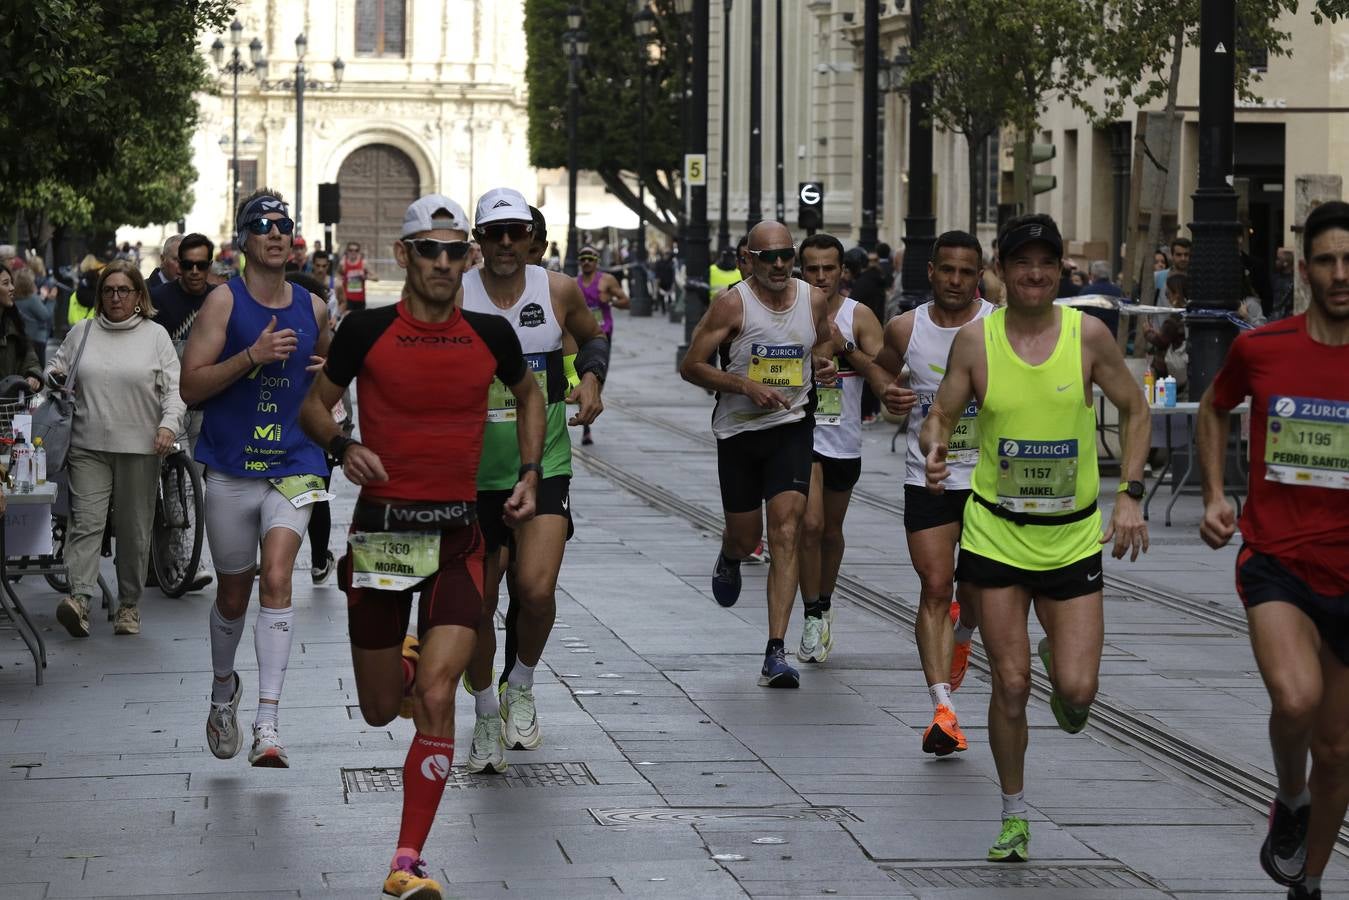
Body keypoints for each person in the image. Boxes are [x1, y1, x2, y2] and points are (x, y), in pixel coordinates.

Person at [300, 194, 542, 900]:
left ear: (468, 258)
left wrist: (528, 473)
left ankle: (407, 861)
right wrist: (344, 446)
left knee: (438, 696)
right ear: (402, 256)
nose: (443, 261)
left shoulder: (491, 334)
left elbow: (530, 396)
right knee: (382, 708)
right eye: (428, 249)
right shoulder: (365, 331)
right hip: (382, 539)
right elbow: (314, 406)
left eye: (454, 249)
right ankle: (398, 666)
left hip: (459, 537)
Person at [920, 213, 1150, 863]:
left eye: (1045, 262)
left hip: (1071, 538)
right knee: (1011, 685)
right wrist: (935, 449)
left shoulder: (1088, 338)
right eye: (1021, 261)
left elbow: (1134, 409)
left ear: (1059, 272)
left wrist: (1129, 494)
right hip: (995, 535)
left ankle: (1063, 671)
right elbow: (938, 415)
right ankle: (1013, 814)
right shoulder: (975, 342)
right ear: (1002, 267)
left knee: (1076, 692)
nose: (1033, 273)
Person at [1197, 200, 1349, 900]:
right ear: (1304, 265)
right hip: (1277, 559)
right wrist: (1214, 496)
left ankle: (1309, 883)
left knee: (1339, 748)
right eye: (1326, 260)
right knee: (1295, 701)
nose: (1340, 273)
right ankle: (1290, 798)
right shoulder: (1263, 348)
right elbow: (1211, 407)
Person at [181, 188, 332, 769]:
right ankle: (225, 691)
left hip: (293, 463)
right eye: (263, 225)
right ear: (243, 239)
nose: (275, 233)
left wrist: (327, 377)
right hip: (232, 465)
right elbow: (191, 387)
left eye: (284, 225)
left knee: (277, 577)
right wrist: (253, 355)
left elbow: (329, 383)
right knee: (234, 591)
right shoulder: (224, 302)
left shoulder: (315, 308)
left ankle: (269, 723)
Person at [459, 187, 607, 773]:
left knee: (537, 590)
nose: (503, 244)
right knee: (476, 605)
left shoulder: (558, 290)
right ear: (478, 240)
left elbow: (592, 336)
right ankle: (487, 711)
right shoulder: (456, 295)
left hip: (544, 463)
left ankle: (520, 682)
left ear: (530, 238)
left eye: (514, 233)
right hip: (472, 477)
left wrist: (592, 377)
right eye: (492, 234)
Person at [679, 220, 836, 688]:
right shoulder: (732, 303)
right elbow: (691, 365)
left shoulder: (812, 299)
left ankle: (775, 651)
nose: (780, 265)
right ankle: (730, 554)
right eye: (768, 257)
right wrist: (744, 384)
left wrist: (823, 364)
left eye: (786, 255)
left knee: (786, 529)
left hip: (791, 426)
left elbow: (822, 339)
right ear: (748, 258)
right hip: (739, 433)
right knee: (747, 536)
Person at [873, 231, 995, 756]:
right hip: (928, 476)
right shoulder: (907, 327)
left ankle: (964, 633)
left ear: (980, 275)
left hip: (992, 480)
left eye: (967, 272)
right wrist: (889, 392)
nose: (956, 281)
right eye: (947, 270)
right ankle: (943, 710)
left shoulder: (999, 326)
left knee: (978, 593)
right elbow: (881, 366)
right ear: (931, 271)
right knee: (933, 585)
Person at [50, 261, 185, 638]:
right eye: (108, 291)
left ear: (139, 296)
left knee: (134, 529)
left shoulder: (155, 336)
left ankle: (128, 605)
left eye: (123, 290)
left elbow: (174, 391)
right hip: (87, 444)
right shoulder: (83, 332)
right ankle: (79, 599)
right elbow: (56, 370)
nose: (115, 297)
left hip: (140, 446)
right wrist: (48, 379)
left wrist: (167, 425)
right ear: (100, 296)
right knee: (86, 524)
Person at [794, 233, 893, 664]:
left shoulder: (860, 316)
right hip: (798, 433)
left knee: (831, 532)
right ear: (801, 269)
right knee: (810, 526)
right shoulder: (788, 312)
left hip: (844, 438)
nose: (820, 276)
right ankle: (811, 612)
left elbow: (887, 378)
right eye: (812, 268)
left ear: (842, 272)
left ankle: (825, 602)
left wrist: (844, 345)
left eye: (828, 268)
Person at [575, 245, 629, 446]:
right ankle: (586, 427)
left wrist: (611, 301)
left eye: (590, 258)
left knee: (599, 379)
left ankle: (591, 402)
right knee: (583, 377)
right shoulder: (574, 283)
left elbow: (626, 301)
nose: (587, 261)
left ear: (597, 261)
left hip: (602, 335)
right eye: (583, 258)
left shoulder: (606, 280)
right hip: (580, 333)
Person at [151, 233, 215, 347]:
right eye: (188, 265)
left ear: (210, 266)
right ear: (180, 266)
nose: (195, 271)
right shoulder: (157, 298)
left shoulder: (220, 298)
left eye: (201, 265)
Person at [0, 268, 42, 391]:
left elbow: (30, 359)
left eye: (12, 282)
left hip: (12, 406)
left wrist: (33, 376)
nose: (12, 288)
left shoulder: (15, 324)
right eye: (6, 283)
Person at [13, 268, 53, 368]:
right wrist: (51, 300)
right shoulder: (31, 299)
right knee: (38, 368)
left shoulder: (15, 298)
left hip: (22, 338)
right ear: (28, 284)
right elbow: (45, 315)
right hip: (36, 339)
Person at [340, 241, 376, 313]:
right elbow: (338, 278)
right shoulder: (343, 263)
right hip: (347, 300)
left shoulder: (363, 263)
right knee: (348, 322)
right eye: (351, 250)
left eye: (356, 250)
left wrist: (365, 277)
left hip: (360, 300)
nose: (353, 252)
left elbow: (376, 277)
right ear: (347, 251)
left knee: (359, 323)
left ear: (359, 252)